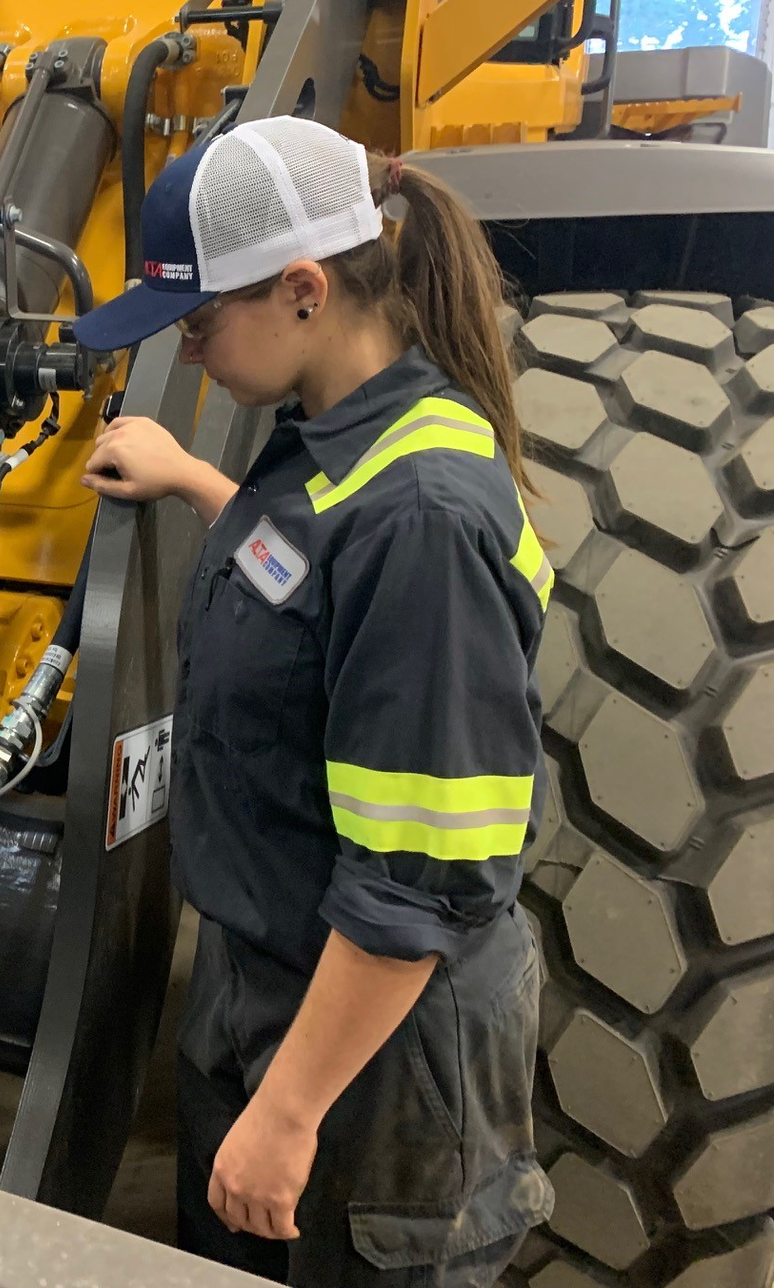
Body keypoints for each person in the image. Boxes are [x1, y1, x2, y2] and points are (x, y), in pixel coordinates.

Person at [72, 117, 552, 1286]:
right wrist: (198, 482)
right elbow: (309, 584)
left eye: (197, 322)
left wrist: (289, 1112)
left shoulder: (425, 517)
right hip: (264, 981)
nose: (189, 353)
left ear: (303, 289)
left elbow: (417, 876)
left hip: (376, 1058)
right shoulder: (333, 443)